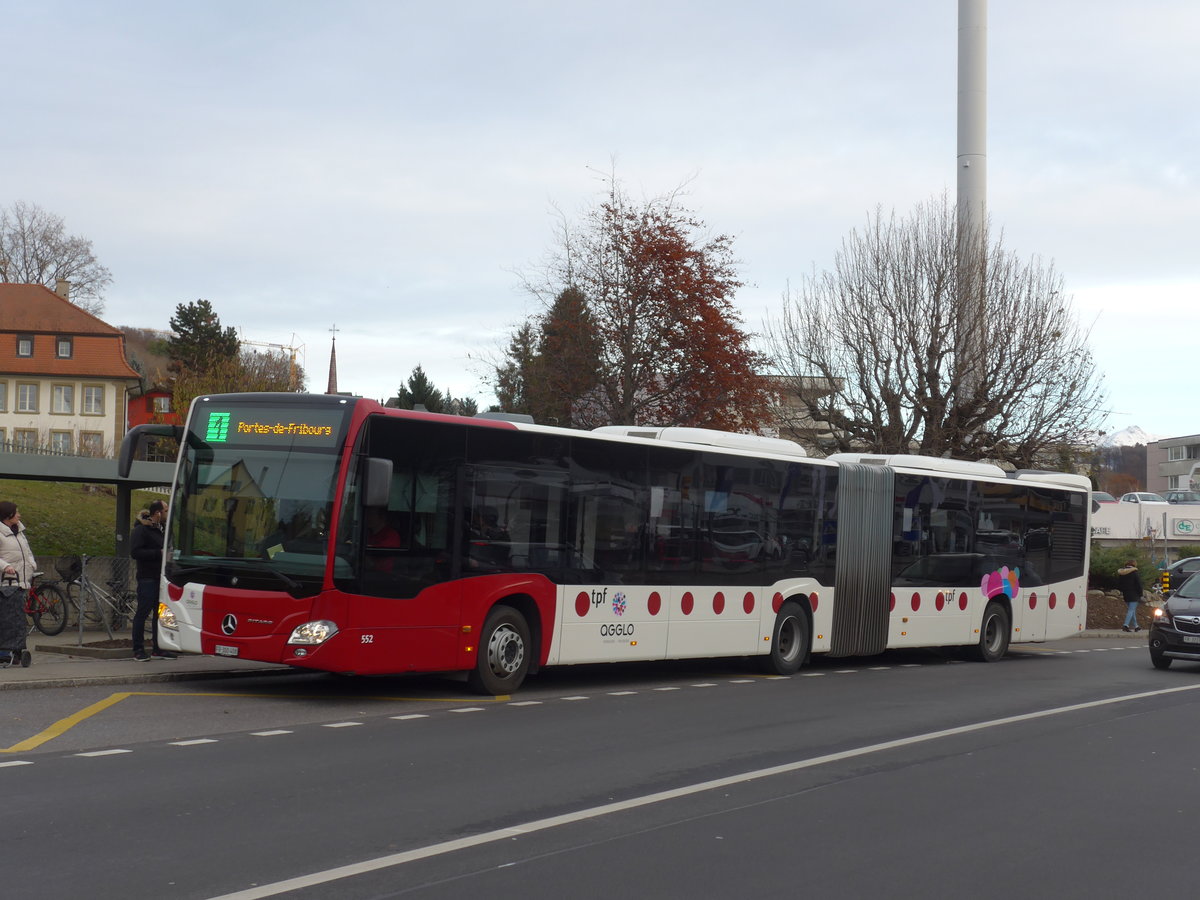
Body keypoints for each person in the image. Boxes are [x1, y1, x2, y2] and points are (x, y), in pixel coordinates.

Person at [129, 499, 176, 661]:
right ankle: (138, 649)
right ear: (158, 513)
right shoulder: (141, 530)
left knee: (160, 614)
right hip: (147, 578)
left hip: (161, 578)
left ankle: (158, 647)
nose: (168, 513)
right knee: (142, 613)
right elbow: (135, 552)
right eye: (166, 510)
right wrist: (159, 553)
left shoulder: (160, 530)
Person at [0, 500, 37, 589]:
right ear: (8, 515)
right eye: (16, 512)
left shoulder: (19, 532)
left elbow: (28, 551)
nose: (19, 515)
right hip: (5, 583)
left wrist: (32, 564)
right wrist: (5, 566)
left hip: (22, 582)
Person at [1117, 559, 1143, 632]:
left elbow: (1119, 584)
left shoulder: (1122, 573)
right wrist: (1140, 594)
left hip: (1126, 594)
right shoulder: (1134, 573)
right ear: (1134, 564)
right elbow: (1138, 584)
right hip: (1134, 594)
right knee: (1131, 610)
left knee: (1132, 610)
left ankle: (1136, 626)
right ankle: (1125, 625)